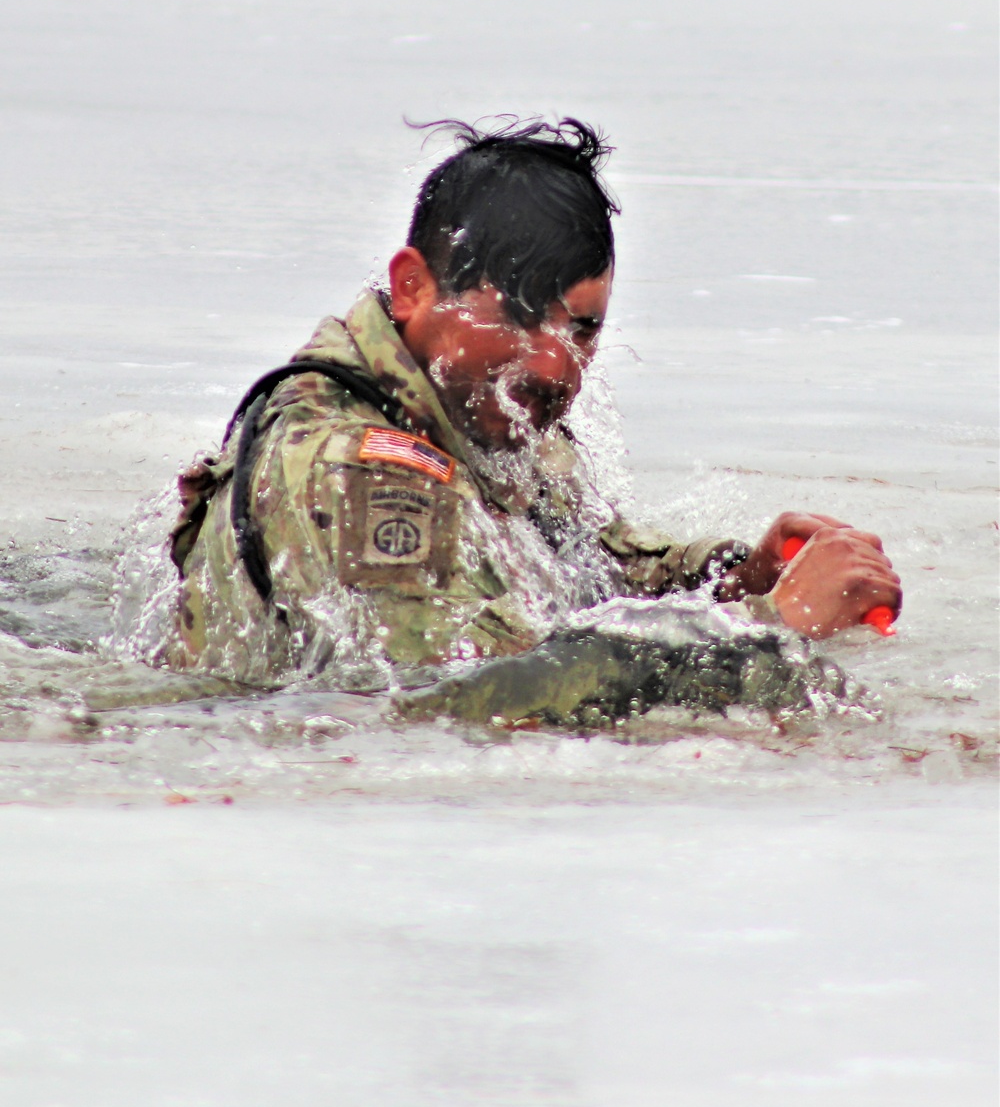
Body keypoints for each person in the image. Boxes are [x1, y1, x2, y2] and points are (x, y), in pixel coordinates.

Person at [160, 118, 901, 724]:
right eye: (515, 313)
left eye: (580, 328)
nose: (554, 367)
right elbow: (463, 698)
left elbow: (585, 572)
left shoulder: (481, 409)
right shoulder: (353, 466)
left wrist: (733, 579)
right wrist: (773, 630)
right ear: (413, 287)